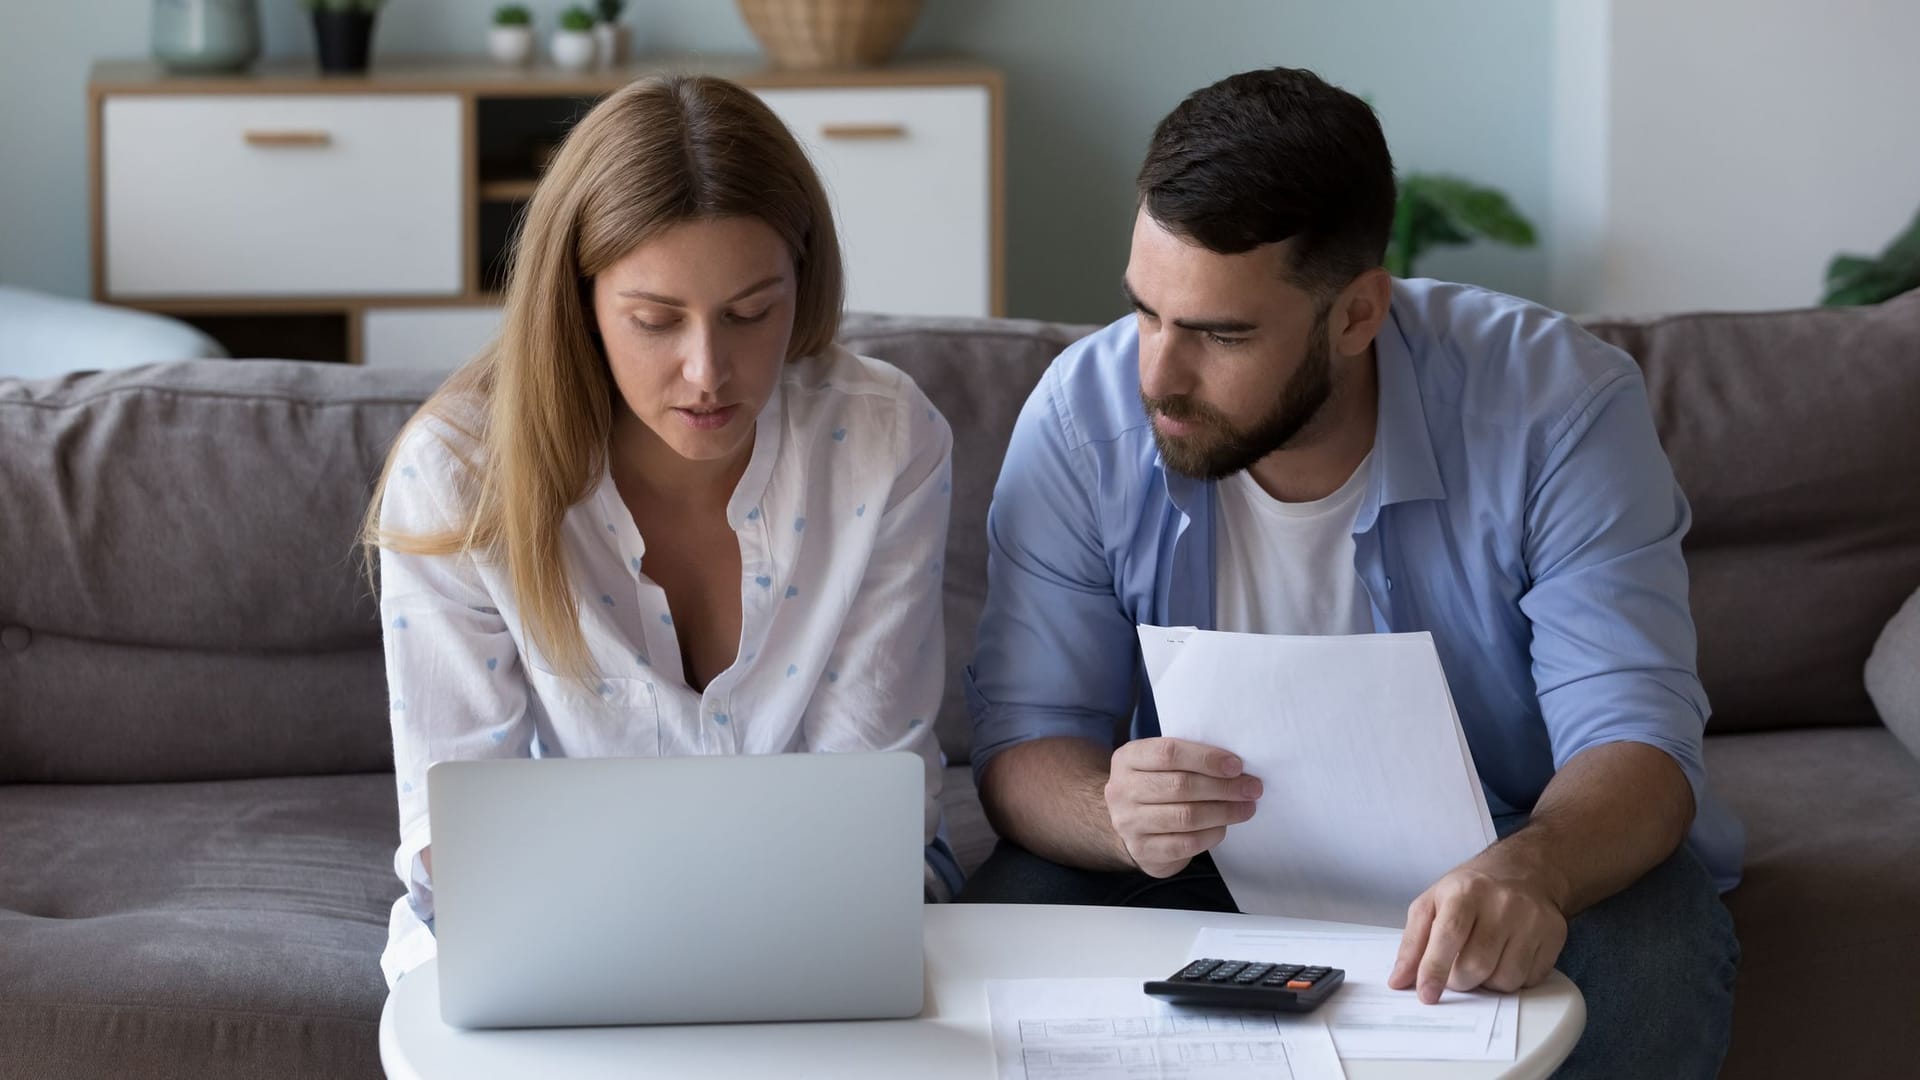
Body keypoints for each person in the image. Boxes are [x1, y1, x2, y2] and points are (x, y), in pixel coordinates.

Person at [960, 67, 1742, 1077]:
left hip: (1505, 835)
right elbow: (1025, 738)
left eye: (1220, 333)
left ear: (1359, 314)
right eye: (1148, 312)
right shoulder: (1083, 416)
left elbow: (1636, 736)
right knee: (1005, 931)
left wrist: (1533, 869)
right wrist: (1109, 814)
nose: (1157, 373)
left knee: (1658, 952)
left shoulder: (1559, 406)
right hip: (1187, 854)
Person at [363, 74, 959, 988]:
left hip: (828, 906)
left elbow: (872, 806)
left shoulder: (883, 441)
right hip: (559, 918)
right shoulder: (456, 479)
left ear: (804, 281)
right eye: (653, 321)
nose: (708, 371)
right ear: (580, 302)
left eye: (752, 313)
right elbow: (457, 831)